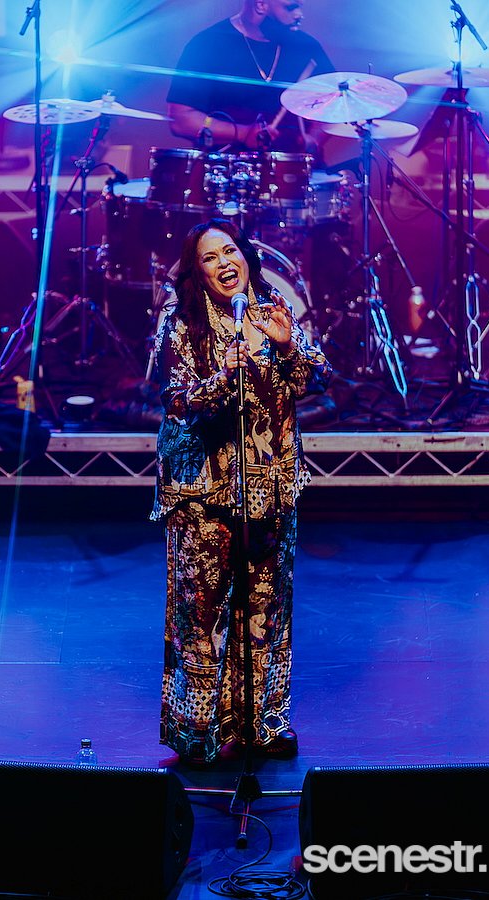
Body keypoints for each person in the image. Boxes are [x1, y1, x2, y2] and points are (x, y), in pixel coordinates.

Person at [151, 218, 332, 765]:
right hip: (203, 488)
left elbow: (316, 380)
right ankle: (198, 728)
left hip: (268, 485)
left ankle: (263, 722)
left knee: (265, 607)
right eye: (209, 258)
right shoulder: (179, 322)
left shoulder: (273, 308)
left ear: (246, 256)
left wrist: (287, 346)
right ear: (197, 273)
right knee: (201, 609)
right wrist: (221, 378)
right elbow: (175, 397)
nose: (224, 263)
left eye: (229, 251)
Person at [167, 0, 335, 156]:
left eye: (300, 6)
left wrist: (313, 139)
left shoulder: (306, 47)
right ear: (260, 4)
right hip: (226, 167)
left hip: (294, 170)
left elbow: (336, 103)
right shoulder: (207, 44)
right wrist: (243, 133)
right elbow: (181, 120)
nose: (299, 15)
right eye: (290, 7)